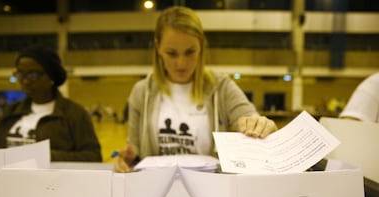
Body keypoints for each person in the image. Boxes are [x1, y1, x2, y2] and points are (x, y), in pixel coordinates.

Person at [114, 6, 278, 172]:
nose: (181, 63)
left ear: (201, 45)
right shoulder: (142, 92)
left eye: (190, 52)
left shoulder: (222, 87)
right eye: (171, 53)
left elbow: (248, 117)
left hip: (209, 189)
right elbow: (134, 146)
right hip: (156, 189)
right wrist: (127, 156)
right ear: (158, 47)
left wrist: (258, 124)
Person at [0, 44, 102, 161]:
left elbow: (93, 156)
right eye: (21, 74)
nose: (26, 81)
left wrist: (46, 157)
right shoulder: (11, 111)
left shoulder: (74, 113)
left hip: (50, 182)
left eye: (33, 75)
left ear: (51, 77)